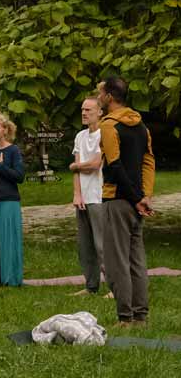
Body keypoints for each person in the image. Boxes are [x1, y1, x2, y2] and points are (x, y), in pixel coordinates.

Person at [97, 77, 155, 326]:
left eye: (100, 93)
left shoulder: (108, 126)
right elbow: (149, 161)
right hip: (137, 202)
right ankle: (141, 315)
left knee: (116, 261)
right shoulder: (142, 126)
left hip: (117, 200)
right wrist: (145, 196)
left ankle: (125, 317)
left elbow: (115, 164)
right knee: (137, 259)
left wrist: (135, 198)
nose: (98, 97)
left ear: (110, 97)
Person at [70, 96, 106, 296]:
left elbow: (95, 163)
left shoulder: (105, 134)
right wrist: (77, 194)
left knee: (102, 244)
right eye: (83, 109)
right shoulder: (80, 136)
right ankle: (91, 285)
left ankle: (113, 285)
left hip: (100, 195)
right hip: (83, 197)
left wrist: (77, 165)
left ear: (100, 112)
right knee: (85, 245)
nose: (84, 113)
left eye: (89, 110)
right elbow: (77, 170)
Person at [0, 114, 25, 286]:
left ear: (5, 130)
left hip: (9, 201)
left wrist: (1, 166)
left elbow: (20, 176)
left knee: (8, 240)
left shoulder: (13, 151)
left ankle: (10, 279)